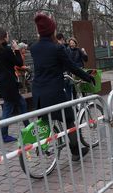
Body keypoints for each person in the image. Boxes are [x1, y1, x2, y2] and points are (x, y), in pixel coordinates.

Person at [31, 13, 95, 161]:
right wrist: (87, 76)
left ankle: (43, 145)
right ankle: (76, 152)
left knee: (46, 120)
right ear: (51, 30)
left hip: (39, 93)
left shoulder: (34, 48)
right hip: (54, 92)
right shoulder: (57, 48)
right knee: (69, 120)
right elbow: (71, 67)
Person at [0, 27, 30, 143]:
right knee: (11, 108)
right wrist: (16, 49)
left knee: (17, 105)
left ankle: (27, 129)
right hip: (10, 83)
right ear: (3, 37)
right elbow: (19, 63)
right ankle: (23, 131)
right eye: (6, 35)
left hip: (1, 83)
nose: (8, 37)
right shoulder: (5, 49)